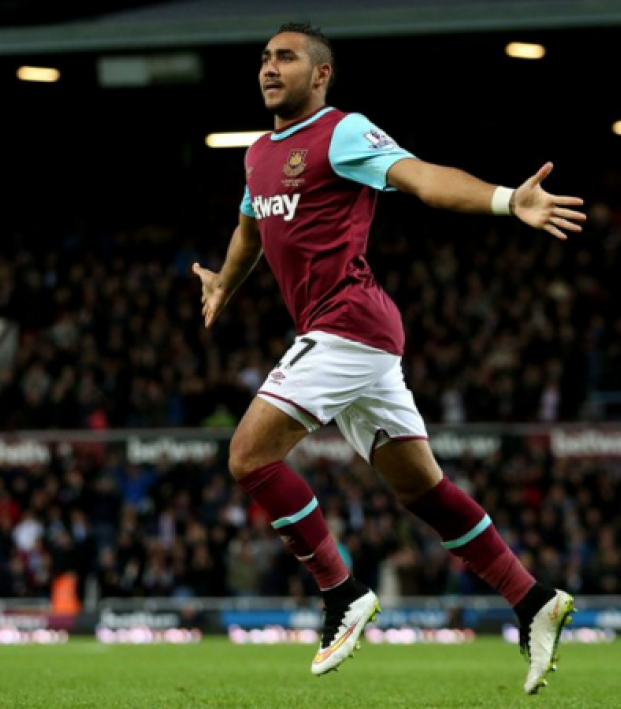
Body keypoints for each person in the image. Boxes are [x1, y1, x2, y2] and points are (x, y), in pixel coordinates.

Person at [192, 22, 586, 694]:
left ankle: (340, 591)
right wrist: (226, 282)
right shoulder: (258, 154)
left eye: (284, 57)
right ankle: (531, 598)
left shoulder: (343, 132)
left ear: (320, 74)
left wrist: (502, 199)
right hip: (352, 338)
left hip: (349, 324)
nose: (268, 67)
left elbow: (422, 177)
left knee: (248, 456)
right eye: (263, 57)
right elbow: (249, 228)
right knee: (421, 491)